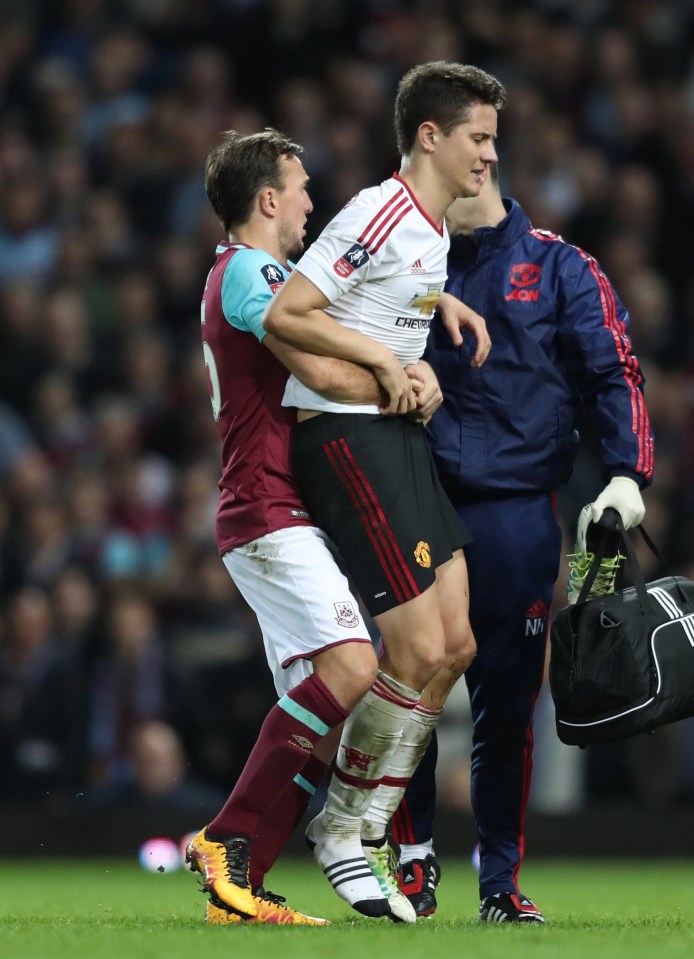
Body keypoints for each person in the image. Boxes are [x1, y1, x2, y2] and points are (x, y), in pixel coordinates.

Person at [263, 61, 507, 919]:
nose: (490, 155)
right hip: (345, 435)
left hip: (395, 432)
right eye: (478, 137)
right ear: (431, 136)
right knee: (410, 649)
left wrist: (438, 313)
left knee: (455, 645)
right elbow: (288, 312)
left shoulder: (430, 229)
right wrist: (384, 366)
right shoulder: (379, 210)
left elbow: (384, 297)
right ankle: (342, 829)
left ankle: (360, 822)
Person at [186, 128, 446, 926]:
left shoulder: (258, 274)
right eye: (300, 188)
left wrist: (431, 318)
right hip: (264, 507)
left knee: (321, 719)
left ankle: (242, 885)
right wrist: (392, 384)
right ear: (267, 199)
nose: (310, 202)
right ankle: (225, 838)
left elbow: (354, 315)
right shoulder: (248, 274)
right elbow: (319, 367)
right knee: (352, 665)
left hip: (274, 508)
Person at [391, 164, 654, 923]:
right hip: (419, 498)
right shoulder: (402, 257)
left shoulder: (560, 264)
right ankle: (412, 864)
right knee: (413, 685)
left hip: (516, 510)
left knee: (506, 707)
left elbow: (614, 371)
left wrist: (626, 474)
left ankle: (498, 881)